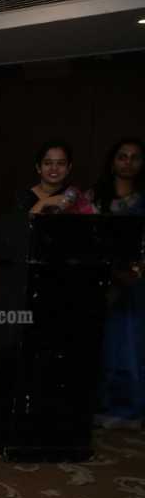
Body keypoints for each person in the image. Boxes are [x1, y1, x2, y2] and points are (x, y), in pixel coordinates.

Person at [88, 137, 145, 430]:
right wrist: (112, 273)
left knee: (130, 346)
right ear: (112, 162)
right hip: (100, 282)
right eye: (122, 156)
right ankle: (95, 407)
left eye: (135, 157)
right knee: (100, 346)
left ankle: (126, 411)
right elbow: (87, 241)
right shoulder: (96, 199)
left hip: (137, 284)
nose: (128, 161)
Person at [13, 141, 93, 214]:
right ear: (38, 167)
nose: (54, 168)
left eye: (61, 163)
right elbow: (21, 227)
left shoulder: (73, 196)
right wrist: (43, 202)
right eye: (47, 163)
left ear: (68, 168)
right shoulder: (23, 197)